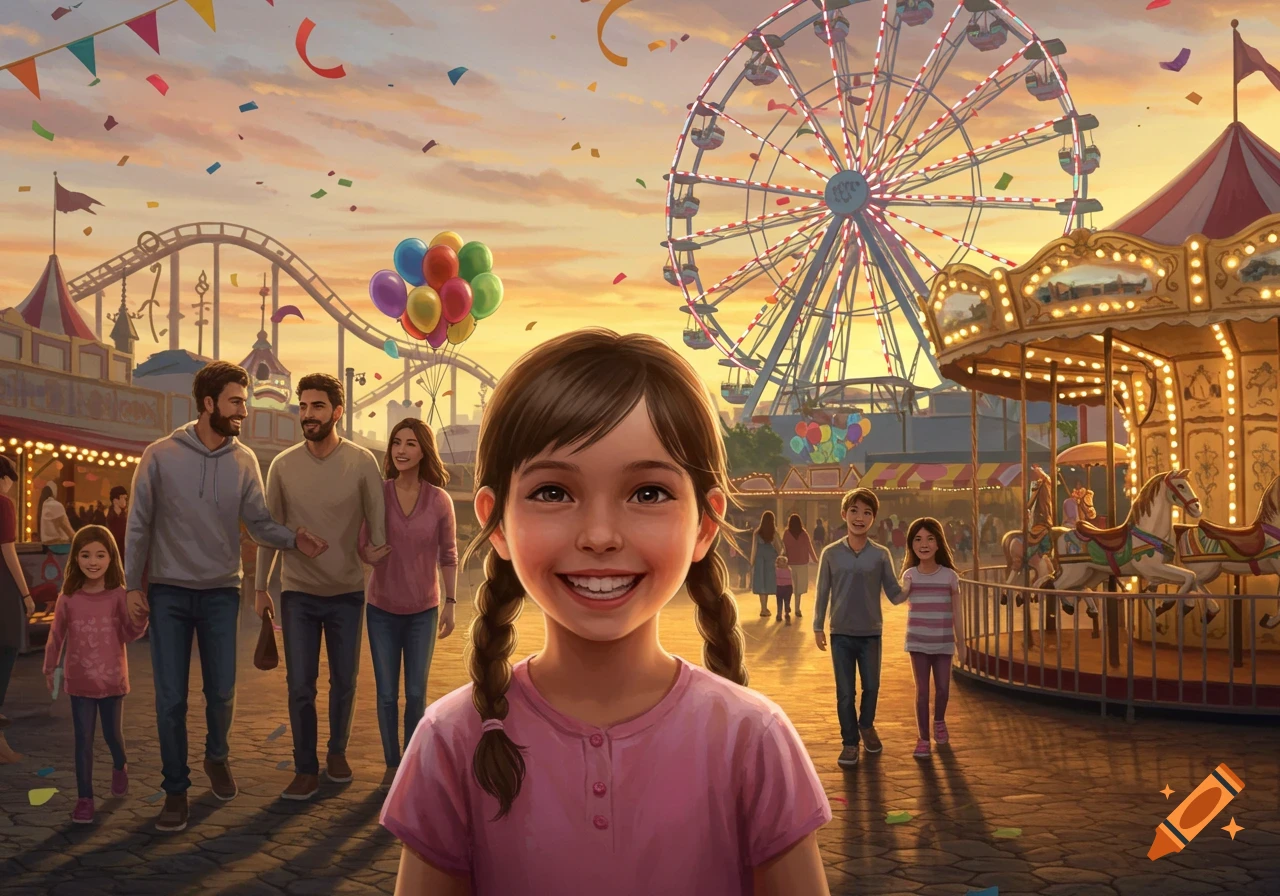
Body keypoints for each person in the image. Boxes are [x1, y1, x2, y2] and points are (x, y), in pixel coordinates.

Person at [380, 329, 831, 895]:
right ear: (496, 524)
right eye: (552, 492)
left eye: (647, 494)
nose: (598, 536)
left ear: (705, 524)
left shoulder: (757, 741)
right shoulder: (450, 740)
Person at [126, 361, 328, 833]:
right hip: (170, 593)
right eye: (237, 401)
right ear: (209, 403)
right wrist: (131, 586)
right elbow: (138, 525)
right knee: (170, 699)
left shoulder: (244, 460)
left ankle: (217, 756)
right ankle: (175, 791)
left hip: (221, 591)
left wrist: (295, 538)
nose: (245, 411)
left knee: (221, 692)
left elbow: (258, 523)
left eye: (246, 401)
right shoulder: (158, 455)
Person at [256, 373, 389, 801]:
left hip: (348, 593)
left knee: (345, 681)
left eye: (316, 406)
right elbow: (268, 531)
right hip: (297, 593)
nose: (307, 414)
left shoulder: (362, 462)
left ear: (337, 412)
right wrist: (261, 588)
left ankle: (337, 752)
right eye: (303, 406)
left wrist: (374, 556)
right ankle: (305, 767)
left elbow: (380, 530)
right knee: (300, 684)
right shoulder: (283, 465)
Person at [358, 418, 457, 787]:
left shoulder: (439, 500)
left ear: (423, 450)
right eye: (396, 442)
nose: (401, 450)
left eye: (410, 443)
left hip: (424, 611)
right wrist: (369, 553)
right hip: (381, 608)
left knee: (415, 693)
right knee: (386, 694)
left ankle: (411, 766)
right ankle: (391, 766)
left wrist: (449, 602)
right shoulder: (377, 493)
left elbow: (449, 554)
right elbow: (361, 541)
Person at [42, 525, 148, 823]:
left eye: (100, 555)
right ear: (75, 558)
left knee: (113, 736)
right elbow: (56, 635)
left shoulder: (118, 595)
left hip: (113, 679)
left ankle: (120, 765)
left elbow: (129, 633)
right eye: (85, 554)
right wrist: (50, 666)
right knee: (83, 739)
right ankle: (85, 798)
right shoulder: (68, 597)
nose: (93, 561)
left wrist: (140, 619)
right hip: (79, 682)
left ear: (111, 558)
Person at [813, 487, 902, 769]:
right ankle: (850, 743)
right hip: (840, 632)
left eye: (866, 512)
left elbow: (894, 592)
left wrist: (917, 581)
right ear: (844, 514)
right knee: (845, 692)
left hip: (871, 632)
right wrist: (817, 626)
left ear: (873, 519)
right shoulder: (830, 553)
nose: (859, 517)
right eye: (854, 511)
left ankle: (866, 725)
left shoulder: (881, 554)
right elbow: (822, 592)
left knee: (872, 687)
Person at [892, 518, 964, 759]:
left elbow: (957, 612)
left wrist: (961, 644)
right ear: (911, 545)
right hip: (918, 642)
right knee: (922, 691)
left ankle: (939, 721)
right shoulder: (910, 575)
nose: (924, 544)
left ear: (938, 543)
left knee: (943, 689)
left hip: (943, 642)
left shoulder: (950, 576)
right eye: (918, 539)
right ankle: (923, 737)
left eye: (930, 538)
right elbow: (898, 598)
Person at [0, 455, 35, 760]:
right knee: (7, 648)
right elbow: (8, 550)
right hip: (3, 587)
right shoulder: (4, 504)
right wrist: (25, 594)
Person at [783, 513, 819, 620]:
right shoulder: (804, 534)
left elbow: (783, 548)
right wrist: (816, 559)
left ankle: (787, 607)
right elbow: (810, 547)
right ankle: (797, 609)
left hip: (789, 564)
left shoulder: (786, 533)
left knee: (789, 587)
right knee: (798, 589)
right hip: (802, 564)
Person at [749, 511, 780, 618]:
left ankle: (763, 608)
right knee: (767, 582)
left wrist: (751, 561)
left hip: (759, 560)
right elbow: (779, 548)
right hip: (771, 560)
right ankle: (765, 609)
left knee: (761, 582)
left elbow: (754, 549)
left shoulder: (756, 533)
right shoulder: (774, 533)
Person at [106, 487, 129, 566]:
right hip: (112, 549)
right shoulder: (107, 515)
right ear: (115, 501)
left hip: (124, 550)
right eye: (124, 498)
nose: (126, 501)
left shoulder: (125, 515)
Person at [775, 552, 793, 623]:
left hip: (783, 588)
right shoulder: (789, 570)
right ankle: (784, 613)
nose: (781, 564)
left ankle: (781, 614)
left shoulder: (776, 570)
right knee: (784, 601)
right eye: (780, 562)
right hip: (785, 588)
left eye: (783, 562)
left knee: (782, 601)